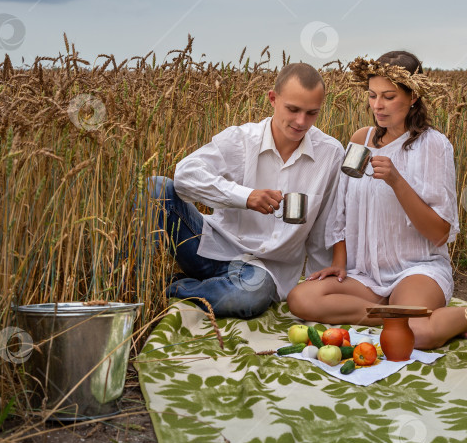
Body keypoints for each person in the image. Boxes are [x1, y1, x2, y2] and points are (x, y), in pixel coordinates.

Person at [286, 51, 467, 348]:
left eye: (388, 96)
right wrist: (340, 262)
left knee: (418, 336)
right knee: (301, 299)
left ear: (413, 96)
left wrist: (397, 182)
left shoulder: (433, 146)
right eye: (372, 95)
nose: (377, 106)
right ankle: (401, 314)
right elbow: (341, 207)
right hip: (367, 275)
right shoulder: (362, 140)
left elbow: (440, 233)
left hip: (416, 269)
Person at [144, 63, 344, 318]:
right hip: (209, 247)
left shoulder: (331, 153)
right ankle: (205, 287)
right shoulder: (241, 140)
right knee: (155, 188)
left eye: (311, 113)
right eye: (292, 109)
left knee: (249, 295)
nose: (301, 121)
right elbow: (185, 175)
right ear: (273, 98)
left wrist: (320, 286)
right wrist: (244, 197)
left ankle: (176, 287)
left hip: (265, 272)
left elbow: (324, 226)